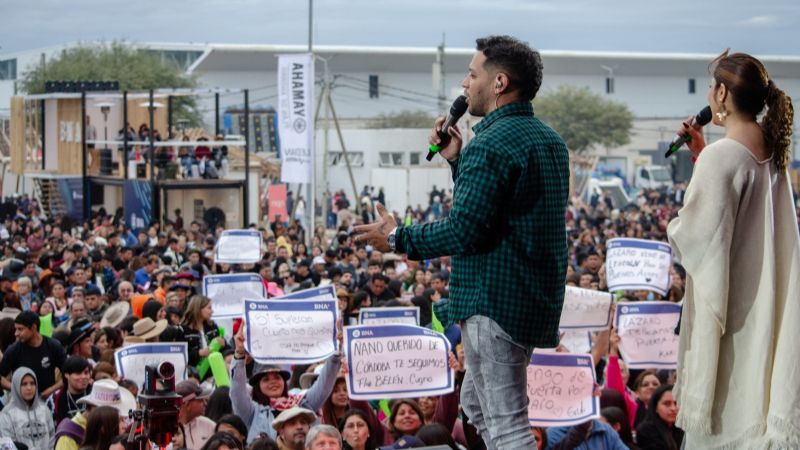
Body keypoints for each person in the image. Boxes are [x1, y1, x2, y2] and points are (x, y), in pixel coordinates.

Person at [353, 35, 569, 450]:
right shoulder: (548, 140)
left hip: (494, 299)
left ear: (500, 82)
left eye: (472, 74)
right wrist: (457, 159)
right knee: (474, 404)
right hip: (527, 298)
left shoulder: (492, 143)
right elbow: (496, 213)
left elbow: (466, 230)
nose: (464, 84)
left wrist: (398, 237)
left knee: (508, 425)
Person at [667, 50, 799, 449]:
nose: (709, 93)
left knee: (727, 419)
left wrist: (675, 223)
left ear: (723, 94)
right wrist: (701, 154)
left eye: (711, 86)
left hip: (734, 314)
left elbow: (696, 240)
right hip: (765, 300)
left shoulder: (723, 157)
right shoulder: (771, 151)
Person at [231, 326, 342, 443]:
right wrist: (239, 353)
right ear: (257, 386)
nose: (273, 382)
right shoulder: (252, 412)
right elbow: (237, 391)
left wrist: (335, 353)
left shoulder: (302, 403)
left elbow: (324, 385)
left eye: (277, 377)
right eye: (266, 379)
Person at [0, 310, 67, 398]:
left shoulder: (53, 346)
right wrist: (18, 390)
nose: (16, 334)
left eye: (20, 329)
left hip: (48, 400)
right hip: (21, 403)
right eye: (16, 329)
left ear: (33, 328)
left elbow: (69, 373)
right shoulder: (14, 349)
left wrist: (51, 391)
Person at [0, 368, 55, 450]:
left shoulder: (44, 409)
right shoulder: (7, 414)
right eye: (24, 384)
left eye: (32, 383)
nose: (29, 388)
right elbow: (10, 444)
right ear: (16, 386)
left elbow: (52, 437)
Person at [635, 385, 683, 450]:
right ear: (656, 408)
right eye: (667, 403)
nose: (673, 408)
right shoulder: (646, 431)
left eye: (676, 403)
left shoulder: (681, 430)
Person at [176, 379, 216, 449]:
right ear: (187, 404)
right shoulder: (166, 428)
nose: (205, 403)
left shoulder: (210, 425)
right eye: (200, 400)